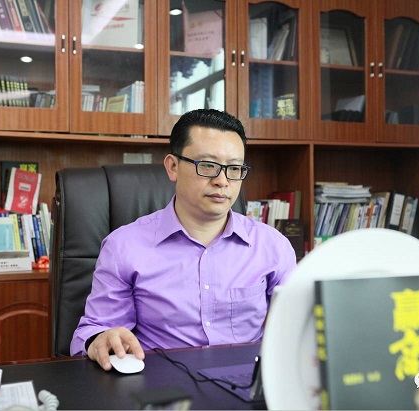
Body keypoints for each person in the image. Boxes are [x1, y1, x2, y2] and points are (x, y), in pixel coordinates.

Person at [71, 109, 297, 371]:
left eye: (234, 168)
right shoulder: (123, 247)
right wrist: (100, 339)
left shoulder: (272, 246)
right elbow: (95, 331)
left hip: (245, 383)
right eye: (208, 165)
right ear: (173, 167)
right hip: (161, 385)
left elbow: (299, 325)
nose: (222, 181)